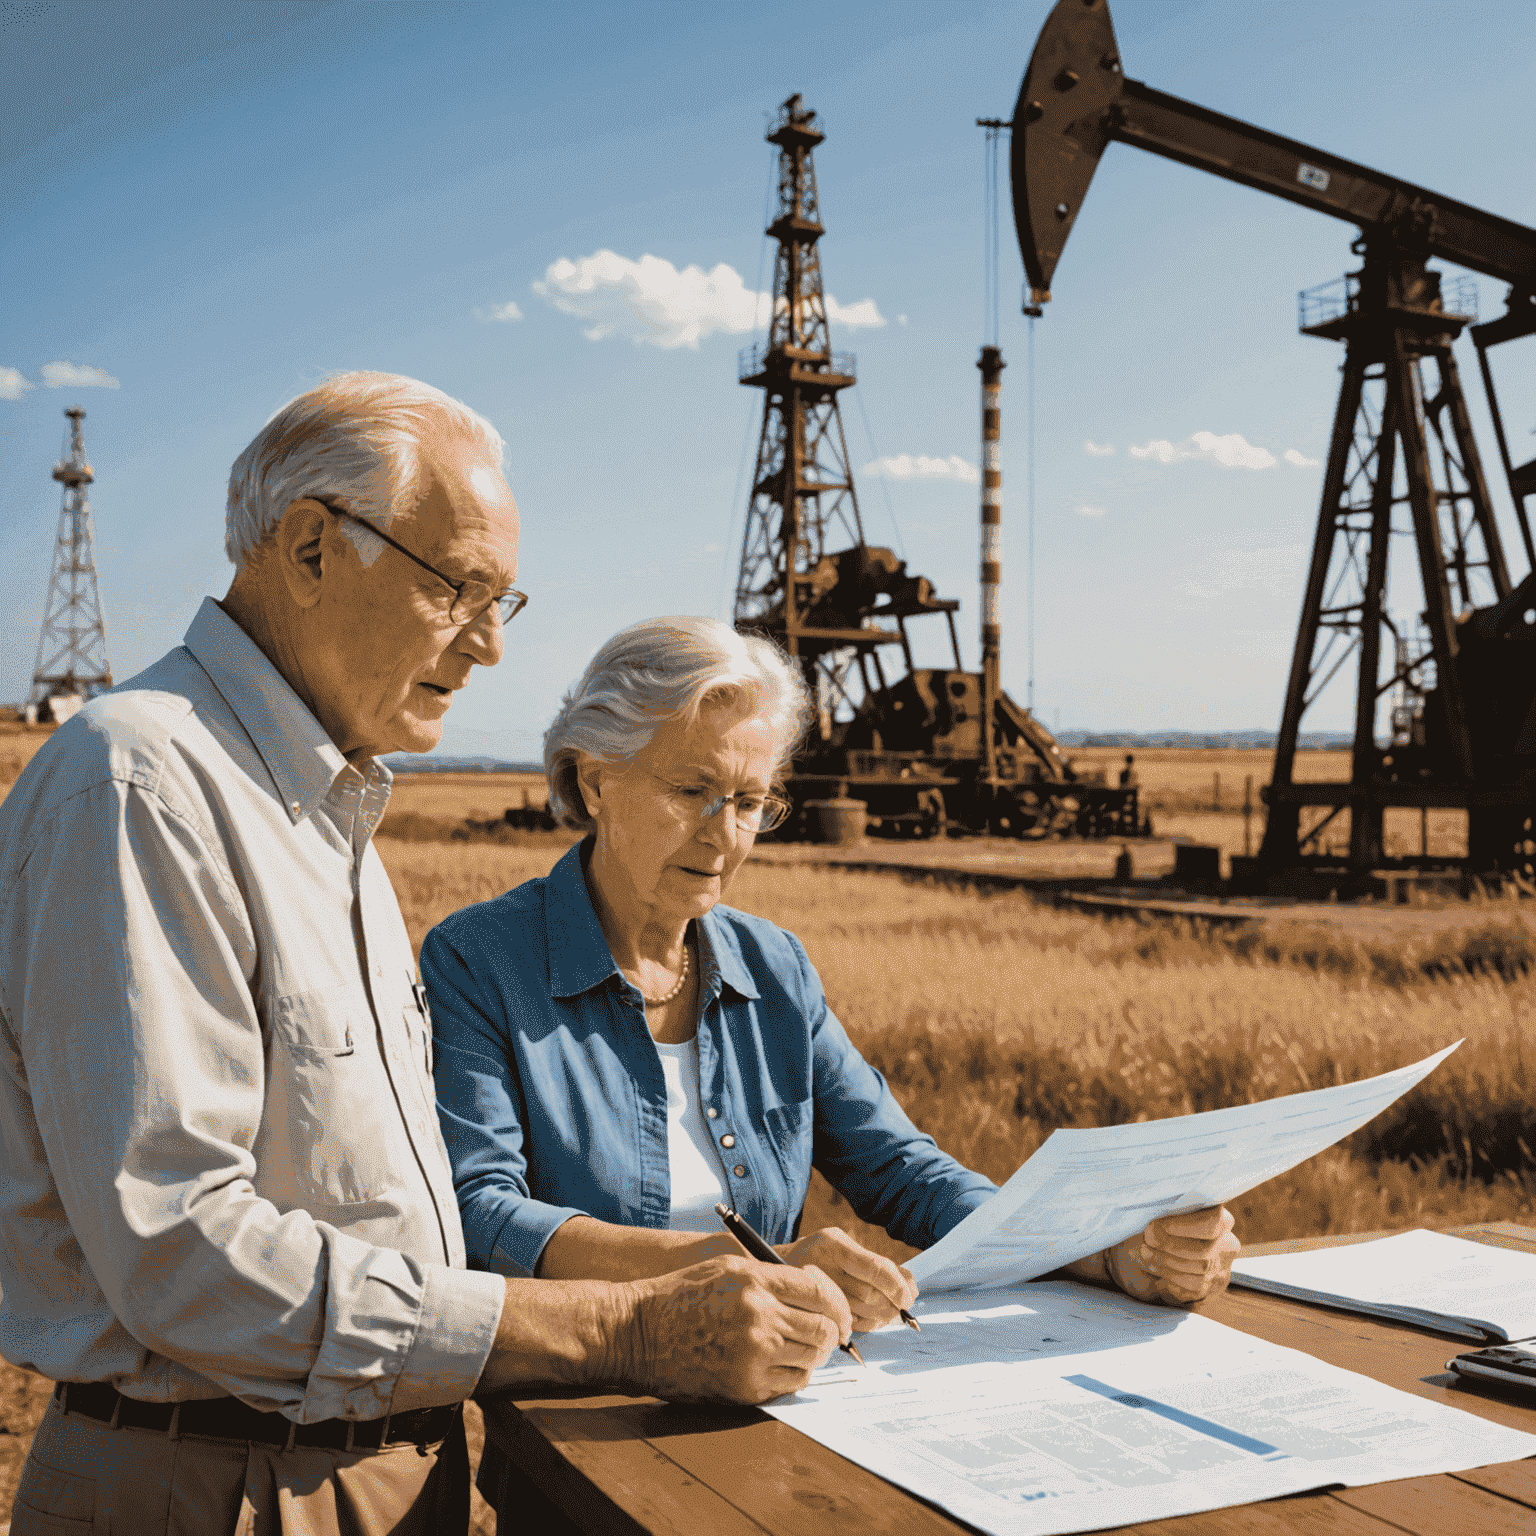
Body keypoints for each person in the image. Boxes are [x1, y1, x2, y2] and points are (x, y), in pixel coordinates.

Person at [0, 379, 854, 1536]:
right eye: (461, 589)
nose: (493, 645)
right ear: (310, 546)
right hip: (224, 1484)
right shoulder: (145, 783)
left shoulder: (323, 811)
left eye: (505, 599)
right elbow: (183, 1249)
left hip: (370, 1472)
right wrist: (630, 1330)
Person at [422, 615, 1242, 1519]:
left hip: (776, 1443)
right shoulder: (480, 961)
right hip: (580, 1464)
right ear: (596, 778)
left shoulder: (774, 967)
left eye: (748, 802)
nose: (723, 836)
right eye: (694, 789)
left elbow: (902, 1171)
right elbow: (479, 1215)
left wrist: (1097, 1248)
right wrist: (739, 1265)